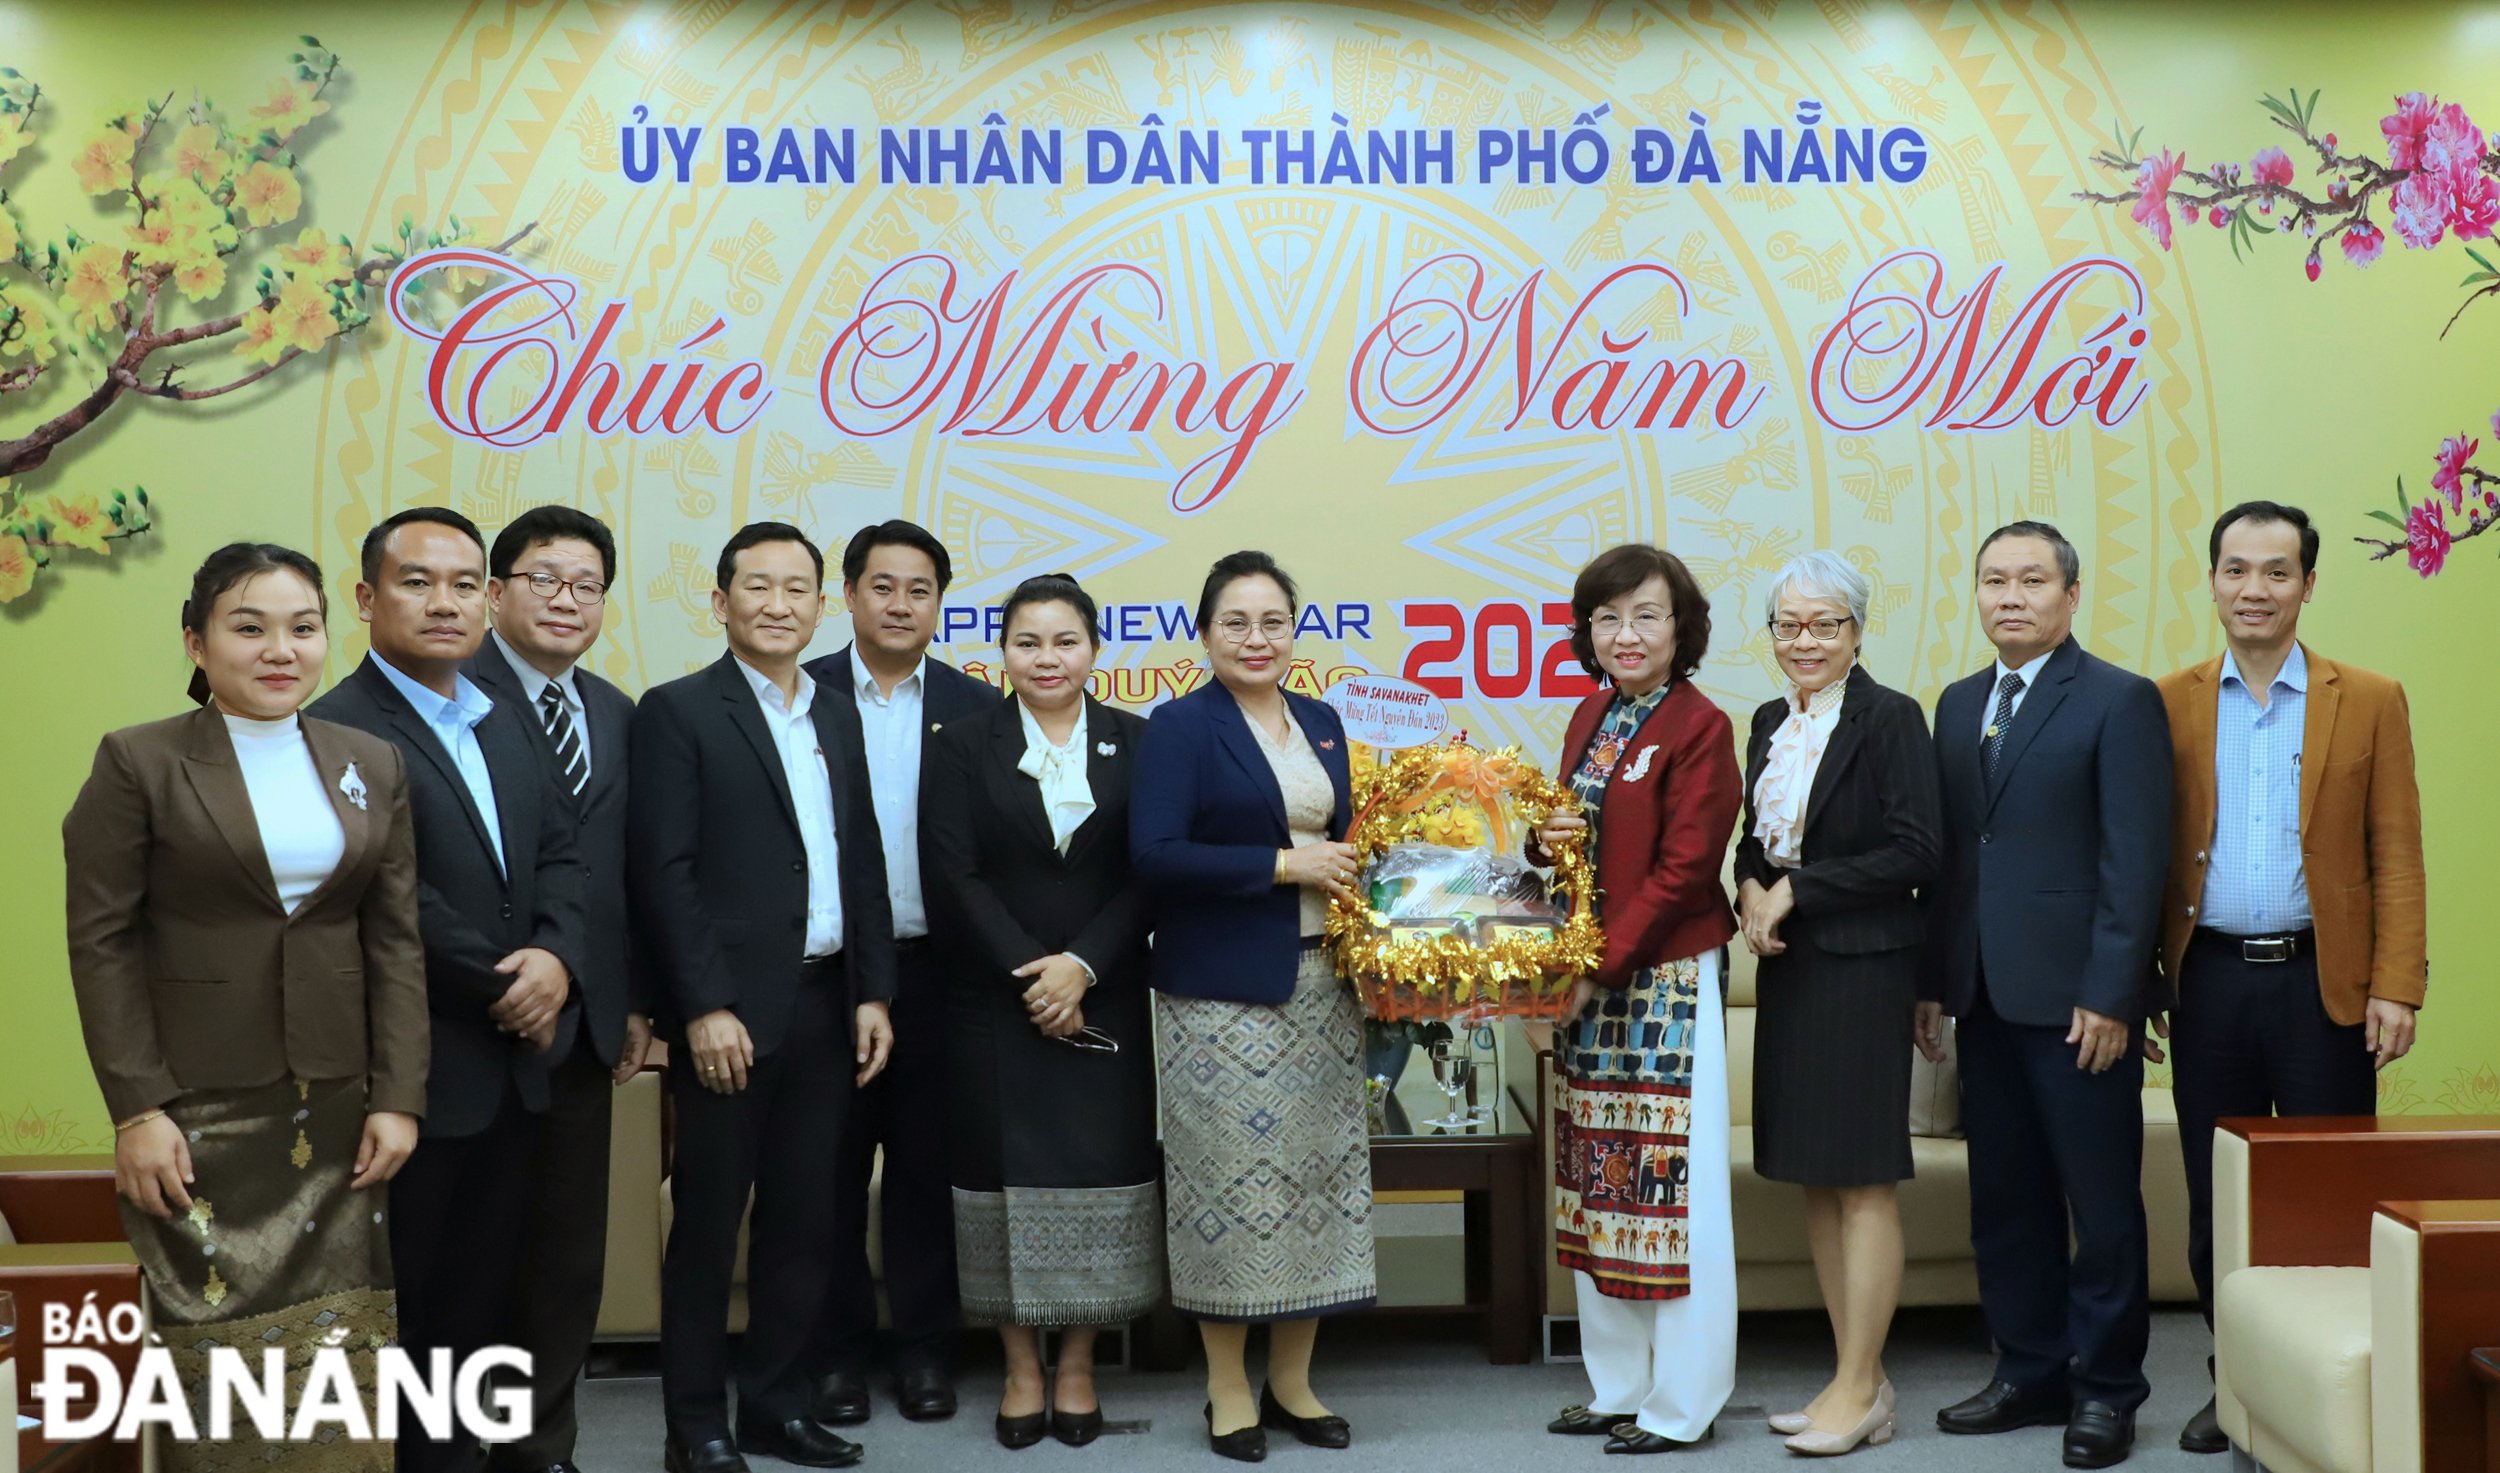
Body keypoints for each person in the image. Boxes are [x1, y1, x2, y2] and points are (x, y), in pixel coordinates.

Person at [63, 543, 426, 1473]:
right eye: (248, 626)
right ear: (195, 640)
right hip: (198, 1109)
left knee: (343, 1343)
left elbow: (393, 940)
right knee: (212, 1341)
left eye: (302, 628)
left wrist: (399, 1095)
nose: (281, 649)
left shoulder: (370, 760)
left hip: (340, 1105)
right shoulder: (137, 761)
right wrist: (137, 1108)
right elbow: (101, 943)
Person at [309, 507, 588, 1473]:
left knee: (490, 1299)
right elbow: (388, 887)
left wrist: (557, 958)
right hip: (412, 1069)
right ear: (366, 598)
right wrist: (508, 979)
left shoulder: (500, 714)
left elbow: (563, 852)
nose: (445, 601)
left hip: (517, 1060)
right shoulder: (337, 723)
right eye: (418, 581)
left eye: (465, 583)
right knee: (413, 1311)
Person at [2155, 501, 2426, 1456]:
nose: (2254, 589)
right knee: (2216, 1193)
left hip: (2326, 989)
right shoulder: (2169, 698)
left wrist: (2398, 982)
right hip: (2211, 984)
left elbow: (2396, 852)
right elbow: (2146, 853)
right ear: (2214, 580)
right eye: (2236, 569)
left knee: (2329, 1193)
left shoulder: (2371, 696)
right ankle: (2236, 1383)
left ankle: (2333, 1381)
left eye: (2276, 571)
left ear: (2309, 583)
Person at [631, 522, 897, 1473]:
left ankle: (777, 1407)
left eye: (798, 588)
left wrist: (874, 991)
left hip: (830, 1005)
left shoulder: (833, 711)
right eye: (758, 587)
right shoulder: (679, 711)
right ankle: (694, 1423)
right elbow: (665, 872)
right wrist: (699, 1006)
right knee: (708, 1226)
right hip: (730, 1021)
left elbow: (858, 856)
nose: (779, 604)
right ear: (720, 602)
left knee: (807, 1221)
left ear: (821, 605)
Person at [1918, 520, 2170, 1470]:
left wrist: (2115, 995)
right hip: (1982, 997)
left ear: (2071, 596)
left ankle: (2107, 1388)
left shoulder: (2118, 700)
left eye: (2031, 580)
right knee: (2006, 1200)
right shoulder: (1957, 703)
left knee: (2100, 1204)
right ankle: (2028, 1369)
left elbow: (2134, 861)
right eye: (1993, 580)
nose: (2010, 596)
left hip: (2079, 1006)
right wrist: (1934, 986)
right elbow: (1950, 862)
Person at [1131, 551, 1375, 1463]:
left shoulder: (1321, 721)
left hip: (1324, 990)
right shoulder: (1180, 728)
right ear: (1204, 633)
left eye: (1274, 621)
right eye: (1236, 621)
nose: (1256, 638)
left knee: (1316, 1186)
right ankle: (1227, 1387)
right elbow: (1154, 856)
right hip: (1219, 999)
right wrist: (1281, 866)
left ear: (1295, 631)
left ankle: (1294, 1381)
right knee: (1229, 1194)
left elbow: (1347, 844)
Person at [922, 573, 1161, 1451]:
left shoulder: (1138, 743)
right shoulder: (959, 743)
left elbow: (1149, 869)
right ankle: (1021, 1366)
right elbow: (953, 871)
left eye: (1065, 641)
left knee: (1102, 1170)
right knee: (996, 1177)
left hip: (1108, 997)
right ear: (1003, 652)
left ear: (1095, 650)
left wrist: (1084, 967)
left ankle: (1079, 1364)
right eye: (1028, 642)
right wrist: (1036, 975)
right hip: (995, 997)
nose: (1047, 658)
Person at [1531, 543, 1741, 1457]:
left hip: (1663, 983)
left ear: (1680, 627)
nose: (1626, 634)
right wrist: (1546, 846)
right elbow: (1579, 852)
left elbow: (1684, 869)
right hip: (1594, 979)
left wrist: (1595, 970)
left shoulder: (1701, 724)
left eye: (1646, 616)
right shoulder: (1592, 715)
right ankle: (1619, 1386)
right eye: (1608, 618)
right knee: (1598, 1184)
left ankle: (1682, 1401)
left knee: (1671, 1196)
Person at [1732, 550, 1941, 1456]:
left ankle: (1861, 1386)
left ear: (1857, 631)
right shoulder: (1769, 718)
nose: (1804, 641)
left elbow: (1917, 851)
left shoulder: (1892, 718)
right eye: (1789, 625)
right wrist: (1749, 887)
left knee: (1862, 1178)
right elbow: (1757, 835)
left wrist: (1798, 891)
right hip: (1792, 969)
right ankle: (1851, 1374)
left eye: (1824, 624)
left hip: (1862, 969)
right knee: (1815, 1178)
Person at [465, 504, 649, 1473]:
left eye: (586, 585)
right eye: (543, 579)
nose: (566, 599)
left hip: (584, 1031)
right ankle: (474, 1450)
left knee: (567, 1258)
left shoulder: (615, 711)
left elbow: (626, 875)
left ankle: (545, 1446)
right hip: (478, 1025)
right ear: (496, 591)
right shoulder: (451, 699)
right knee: (477, 1259)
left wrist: (632, 1004)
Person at [802, 519, 992, 1425]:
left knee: (925, 1171)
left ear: (938, 605)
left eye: (920, 589)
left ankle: (924, 1352)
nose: (901, 603)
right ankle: (836, 1355)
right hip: (831, 975)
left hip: (940, 973)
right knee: (829, 1169)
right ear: (848, 595)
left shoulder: (976, 706)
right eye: (883, 586)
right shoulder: (800, 695)